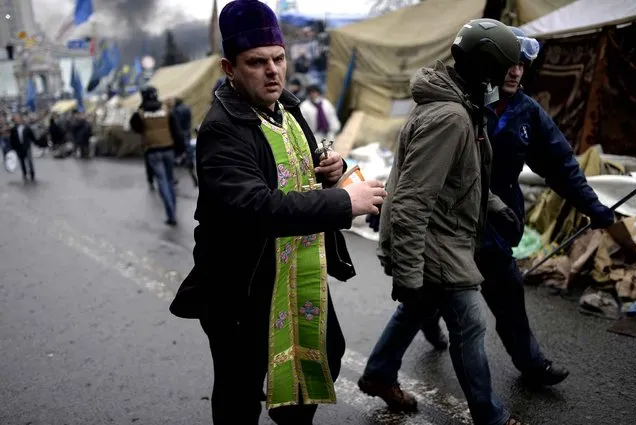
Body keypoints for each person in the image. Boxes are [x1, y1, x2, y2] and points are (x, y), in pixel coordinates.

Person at [168, 1, 387, 424]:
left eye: (279, 58)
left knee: (322, 356)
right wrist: (346, 202)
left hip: (295, 273)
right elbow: (258, 207)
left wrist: (333, 170)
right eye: (257, 62)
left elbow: (300, 168)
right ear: (229, 68)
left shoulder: (286, 108)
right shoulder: (221, 129)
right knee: (239, 391)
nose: (273, 70)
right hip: (241, 285)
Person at [415, 27, 616, 388]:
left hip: (496, 225)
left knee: (508, 294)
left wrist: (592, 205)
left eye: (522, 64)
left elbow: (560, 164)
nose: (516, 71)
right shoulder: (460, 104)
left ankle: (531, 365)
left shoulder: (527, 113)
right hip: (450, 223)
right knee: (432, 295)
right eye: (509, 62)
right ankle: (410, 335)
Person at [357, 19, 527, 425]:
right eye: (504, 70)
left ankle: (379, 373)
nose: (509, 79)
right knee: (470, 324)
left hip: (443, 235)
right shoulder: (449, 117)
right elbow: (413, 203)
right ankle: (490, 417)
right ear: (486, 69)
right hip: (434, 240)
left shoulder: (461, 108)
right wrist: (408, 274)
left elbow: (460, 178)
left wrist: (496, 206)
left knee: (417, 310)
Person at [130, 85, 184, 226]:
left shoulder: (141, 114)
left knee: (162, 182)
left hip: (153, 151)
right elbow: (176, 131)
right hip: (168, 149)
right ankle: (173, 210)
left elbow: (134, 126)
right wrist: (181, 150)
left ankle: (170, 213)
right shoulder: (166, 111)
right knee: (170, 180)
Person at [9, 113, 36, 181]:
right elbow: (12, 139)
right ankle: (25, 173)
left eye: (18, 119)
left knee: (29, 160)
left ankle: (32, 173)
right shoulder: (14, 129)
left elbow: (32, 136)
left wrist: (37, 142)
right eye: (16, 119)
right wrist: (13, 147)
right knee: (22, 161)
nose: (17, 120)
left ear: (21, 119)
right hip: (19, 147)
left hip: (27, 146)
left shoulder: (26, 127)